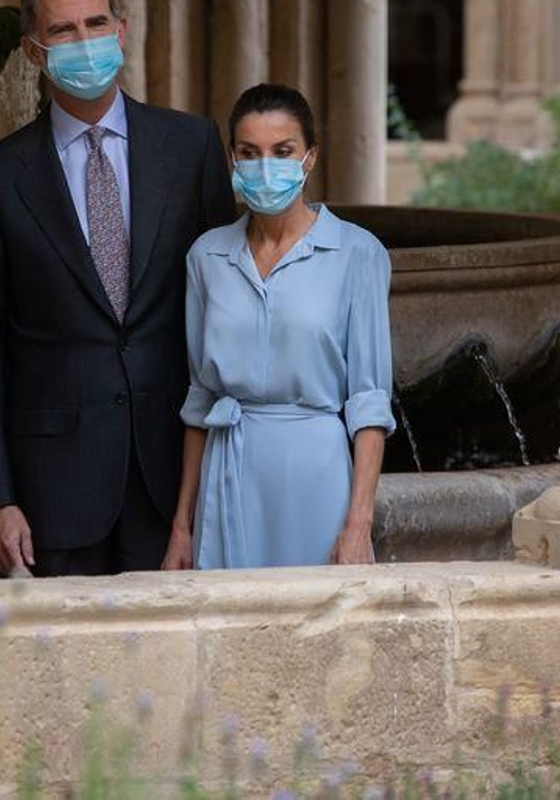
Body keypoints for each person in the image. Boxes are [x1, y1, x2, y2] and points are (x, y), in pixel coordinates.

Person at [0, 0, 237, 577]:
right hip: (53, 490)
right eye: (63, 31)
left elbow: (226, 310)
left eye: (96, 22)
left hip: (174, 477)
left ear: (122, 28)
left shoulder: (191, 148)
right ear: (34, 52)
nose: (85, 42)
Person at [161, 84, 395, 570]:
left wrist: (358, 523)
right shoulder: (206, 256)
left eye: (282, 151)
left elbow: (370, 400)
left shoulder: (358, 253)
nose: (265, 166)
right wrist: (182, 526)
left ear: (309, 157)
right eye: (250, 153)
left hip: (316, 473)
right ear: (232, 159)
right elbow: (200, 400)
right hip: (228, 468)